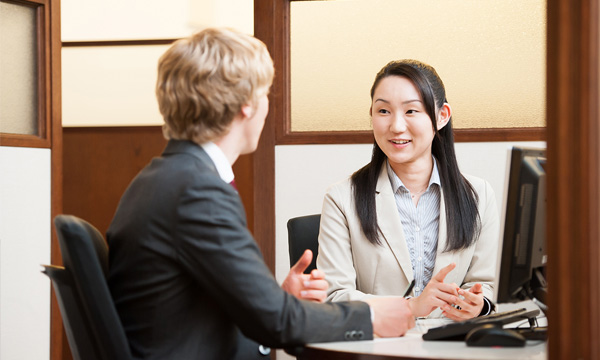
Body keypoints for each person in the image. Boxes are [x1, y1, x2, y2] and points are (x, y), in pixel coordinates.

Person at [106, 28, 415, 360]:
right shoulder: (198, 192)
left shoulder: (160, 178)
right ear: (246, 106)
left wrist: (273, 299)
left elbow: (204, 307)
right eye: (265, 93)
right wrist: (370, 317)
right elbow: (276, 323)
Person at [316, 59, 500, 321]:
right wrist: (410, 308)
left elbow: (487, 284)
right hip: (380, 346)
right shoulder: (342, 198)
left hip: (454, 345)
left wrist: (478, 305)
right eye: (383, 111)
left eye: (411, 111)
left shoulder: (478, 195)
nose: (396, 126)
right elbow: (334, 296)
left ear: (442, 116)